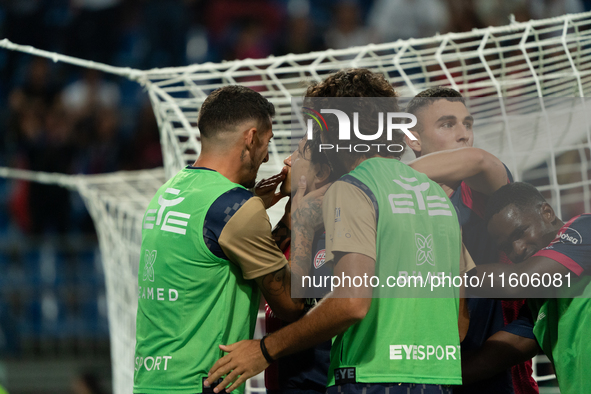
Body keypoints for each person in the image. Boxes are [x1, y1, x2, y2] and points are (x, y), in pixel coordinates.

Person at [206, 68, 470, 394]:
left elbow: (351, 303)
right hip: (438, 381)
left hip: (370, 380)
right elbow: (458, 324)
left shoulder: (353, 188)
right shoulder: (437, 197)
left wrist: (265, 350)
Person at [133, 85, 304, 394]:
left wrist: (252, 203)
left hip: (152, 383)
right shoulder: (236, 209)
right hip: (202, 384)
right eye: (267, 143)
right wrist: (294, 212)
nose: (267, 156)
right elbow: (291, 305)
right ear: (251, 139)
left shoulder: (170, 191)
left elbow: (211, 237)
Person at [404, 87, 539, 394]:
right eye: (448, 124)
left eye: (468, 123)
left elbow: (480, 161)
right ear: (412, 138)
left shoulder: (483, 191)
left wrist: (380, 176)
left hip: (498, 378)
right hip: (423, 374)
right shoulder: (396, 205)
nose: (464, 134)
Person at [480, 181, 591, 393]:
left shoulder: (585, 228)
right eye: (506, 247)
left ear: (547, 212)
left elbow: (517, 281)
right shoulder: (539, 302)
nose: (517, 250)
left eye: (520, 232)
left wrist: (445, 275)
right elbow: (489, 359)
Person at [265, 135, 336, 394]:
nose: (287, 161)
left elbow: (295, 307)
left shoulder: (334, 236)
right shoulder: (290, 227)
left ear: (321, 171)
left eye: (297, 155)